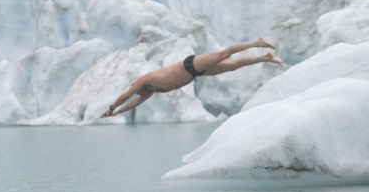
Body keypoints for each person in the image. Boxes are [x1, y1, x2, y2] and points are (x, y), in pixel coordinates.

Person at [101, 38, 283, 118]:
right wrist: (116, 113)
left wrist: (111, 107)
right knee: (233, 66)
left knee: (223, 54)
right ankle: (265, 57)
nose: (138, 92)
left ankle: (256, 43)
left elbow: (126, 96)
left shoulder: (144, 80)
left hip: (190, 65)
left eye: (137, 89)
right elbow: (134, 103)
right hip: (196, 73)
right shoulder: (149, 91)